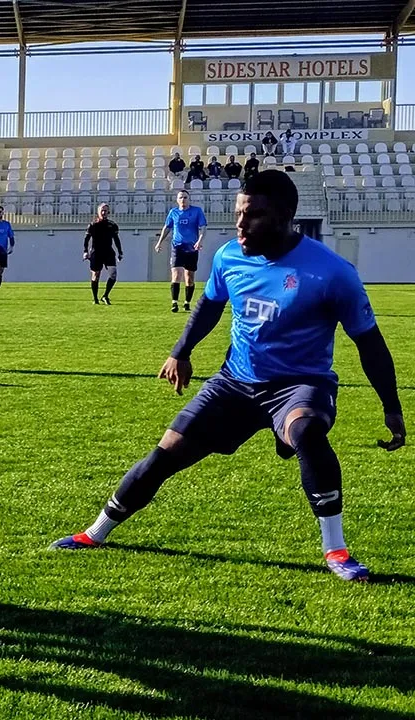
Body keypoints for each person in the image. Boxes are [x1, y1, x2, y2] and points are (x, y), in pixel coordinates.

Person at [50, 170, 406, 583]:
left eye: (253, 215)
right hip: (234, 383)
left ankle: (337, 552)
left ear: (286, 215)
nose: (241, 223)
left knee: (306, 431)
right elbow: (210, 306)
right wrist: (181, 352)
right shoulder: (229, 256)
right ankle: (95, 532)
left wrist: (392, 408)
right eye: (239, 213)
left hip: (299, 384)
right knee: (166, 453)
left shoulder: (332, 272)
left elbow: (370, 344)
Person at [155, 189, 206, 313]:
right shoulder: (173, 212)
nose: (183, 200)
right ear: (177, 200)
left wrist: (199, 241)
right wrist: (159, 242)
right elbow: (167, 228)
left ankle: (187, 302)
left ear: (189, 199)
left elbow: (203, 227)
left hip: (192, 248)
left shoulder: (196, 211)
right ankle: (174, 303)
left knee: (189, 277)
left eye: (185, 197)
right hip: (177, 247)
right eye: (181, 197)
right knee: (176, 274)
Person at [83, 203, 123, 305]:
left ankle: (105, 295)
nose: (104, 212)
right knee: (96, 275)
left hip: (108, 252)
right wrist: (85, 251)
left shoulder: (112, 225)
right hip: (96, 253)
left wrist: (120, 251)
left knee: (113, 274)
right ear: (98, 212)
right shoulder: (93, 225)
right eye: (102, 210)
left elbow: (116, 239)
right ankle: (95, 298)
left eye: (106, 211)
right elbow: (86, 239)